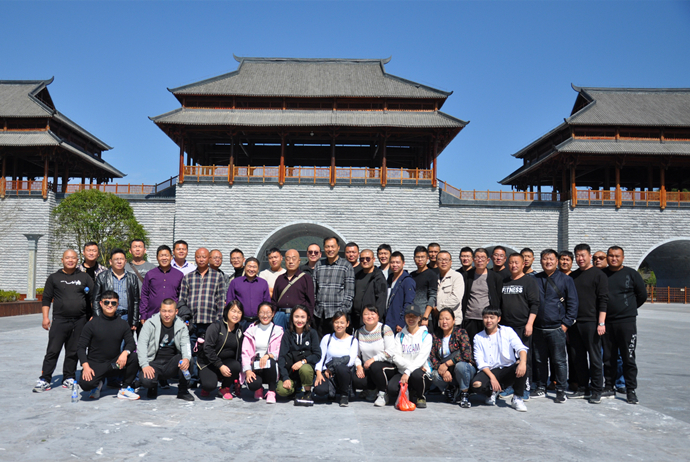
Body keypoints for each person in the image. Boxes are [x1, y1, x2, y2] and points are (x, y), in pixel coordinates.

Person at [34, 249, 94, 393]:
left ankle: (69, 377)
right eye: (67, 258)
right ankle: (45, 379)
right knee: (53, 350)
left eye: (73, 258)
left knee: (73, 351)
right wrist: (45, 317)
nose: (70, 260)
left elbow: (93, 298)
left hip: (79, 321)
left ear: (77, 260)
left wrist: (93, 315)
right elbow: (46, 299)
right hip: (60, 320)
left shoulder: (84, 277)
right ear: (62, 260)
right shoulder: (54, 277)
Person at [533, 249, 578, 403]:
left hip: (557, 328)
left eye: (551, 259)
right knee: (540, 360)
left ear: (557, 261)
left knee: (559, 361)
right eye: (545, 259)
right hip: (538, 328)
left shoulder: (566, 279)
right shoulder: (535, 279)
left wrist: (565, 324)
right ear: (541, 261)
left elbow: (573, 303)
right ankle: (541, 386)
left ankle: (560, 389)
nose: (548, 262)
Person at [602, 245, 646, 404]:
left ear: (623, 257)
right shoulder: (602, 274)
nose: (614, 258)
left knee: (628, 357)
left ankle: (630, 389)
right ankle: (609, 386)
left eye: (617, 256)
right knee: (608, 357)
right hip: (607, 322)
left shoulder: (631, 274)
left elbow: (642, 295)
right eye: (611, 256)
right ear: (607, 257)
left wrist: (628, 308)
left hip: (626, 322)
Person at [177, 248, 227, 386]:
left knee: (208, 351)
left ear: (209, 259)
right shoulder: (188, 277)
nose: (201, 259)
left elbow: (220, 300)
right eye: (198, 257)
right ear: (195, 258)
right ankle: (193, 379)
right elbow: (182, 301)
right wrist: (185, 319)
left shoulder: (218, 277)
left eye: (204, 257)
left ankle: (206, 376)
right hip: (192, 322)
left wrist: (218, 322)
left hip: (210, 321)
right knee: (191, 350)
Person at [77, 290, 139, 400]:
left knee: (133, 357)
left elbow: (131, 343)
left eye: (113, 303)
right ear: (101, 303)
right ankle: (97, 385)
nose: (110, 305)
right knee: (86, 384)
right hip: (96, 364)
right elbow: (81, 347)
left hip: (115, 364)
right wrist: (85, 366)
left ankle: (124, 389)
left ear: (117, 305)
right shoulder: (91, 324)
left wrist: (125, 353)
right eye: (106, 302)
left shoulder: (123, 324)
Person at [569, 243, 609, 404]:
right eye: (577, 256)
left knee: (595, 358)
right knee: (577, 357)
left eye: (583, 255)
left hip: (592, 323)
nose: (580, 258)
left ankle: (597, 389)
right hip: (574, 323)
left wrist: (601, 322)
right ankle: (583, 387)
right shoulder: (572, 276)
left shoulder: (599, 275)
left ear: (589, 256)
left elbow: (603, 300)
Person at [472, 307, 529, 412]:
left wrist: (523, 362)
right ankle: (491, 392)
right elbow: (479, 361)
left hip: (507, 369)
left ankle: (517, 398)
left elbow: (520, 348)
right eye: (486, 317)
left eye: (492, 317)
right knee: (476, 385)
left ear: (498, 319)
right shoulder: (478, 337)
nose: (489, 320)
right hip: (490, 370)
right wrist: (492, 377)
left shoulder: (508, 331)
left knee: (523, 365)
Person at [499, 252, 539, 401]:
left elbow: (535, 304)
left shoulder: (529, 281)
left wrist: (530, 324)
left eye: (517, 262)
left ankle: (525, 388)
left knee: (525, 358)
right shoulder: (504, 282)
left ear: (523, 264)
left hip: (523, 326)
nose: (514, 265)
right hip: (506, 327)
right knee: (509, 358)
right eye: (511, 262)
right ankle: (511, 385)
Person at [137, 298, 194, 401]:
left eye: (170, 311)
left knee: (188, 360)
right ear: (160, 310)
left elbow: (186, 345)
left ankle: (183, 390)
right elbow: (141, 345)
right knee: (146, 381)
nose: (167, 314)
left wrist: (186, 358)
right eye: (164, 311)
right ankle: (152, 387)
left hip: (171, 364)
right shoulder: (149, 324)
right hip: (153, 363)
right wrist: (145, 365)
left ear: (176, 311)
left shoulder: (182, 326)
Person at [388, 304, 433, 408]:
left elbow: (422, 358)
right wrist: (408, 370)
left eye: (414, 316)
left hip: (420, 372)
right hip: (404, 371)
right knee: (392, 389)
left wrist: (409, 371)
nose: (411, 319)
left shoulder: (426, 336)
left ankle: (420, 396)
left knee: (417, 375)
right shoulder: (399, 336)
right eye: (408, 316)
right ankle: (410, 391)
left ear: (420, 318)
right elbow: (395, 357)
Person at [429, 308, 476, 408]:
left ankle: (464, 394)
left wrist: (447, 364)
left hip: (464, 370)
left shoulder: (461, 332)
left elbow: (466, 354)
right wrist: (442, 369)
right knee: (434, 375)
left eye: (447, 319)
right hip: (446, 371)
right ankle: (450, 388)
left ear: (454, 320)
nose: (444, 322)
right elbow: (432, 356)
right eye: (441, 319)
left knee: (461, 366)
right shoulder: (435, 335)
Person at [198, 299, 244, 400]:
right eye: (233, 311)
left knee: (236, 365)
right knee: (209, 386)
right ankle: (207, 383)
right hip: (209, 362)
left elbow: (240, 352)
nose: (236, 315)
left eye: (239, 312)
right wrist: (220, 365)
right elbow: (207, 348)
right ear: (226, 311)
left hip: (227, 362)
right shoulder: (215, 326)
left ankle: (224, 388)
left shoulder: (240, 329)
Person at [352, 304, 397, 406]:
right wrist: (358, 366)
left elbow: (390, 351)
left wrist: (373, 359)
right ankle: (371, 389)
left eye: (373, 313)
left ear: (378, 316)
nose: (369, 316)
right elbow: (355, 354)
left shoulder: (385, 329)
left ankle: (383, 393)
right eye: (366, 314)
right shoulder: (358, 332)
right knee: (356, 379)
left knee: (375, 366)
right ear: (362, 317)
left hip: (386, 366)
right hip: (368, 368)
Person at [241, 302, 284, 404]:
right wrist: (248, 370)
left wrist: (268, 356)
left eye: (268, 312)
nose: (265, 316)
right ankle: (258, 388)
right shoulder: (251, 330)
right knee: (253, 384)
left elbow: (280, 350)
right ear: (258, 314)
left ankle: (271, 391)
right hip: (255, 366)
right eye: (262, 313)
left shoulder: (278, 331)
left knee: (271, 362)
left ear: (273, 314)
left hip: (271, 366)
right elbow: (245, 353)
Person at [276, 305, 321, 403]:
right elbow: (282, 357)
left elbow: (317, 355)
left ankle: (307, 392)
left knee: (305, 369)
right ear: (292, 317)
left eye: (302, 317)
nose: (299, 320)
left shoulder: (312, 333)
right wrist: (285, 378)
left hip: (305, 368)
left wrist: (303, 362)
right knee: (281, 390)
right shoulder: (287, 333)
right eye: (296, 317)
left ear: (307, 318)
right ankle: (294, 388)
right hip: (291, 371)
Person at [314, 311, 359, 407]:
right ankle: (333, 390)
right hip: (328, 373)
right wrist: (318, 373)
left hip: (344, 373)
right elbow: (320, 357)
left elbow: (350, 361)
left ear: (347, 323)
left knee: (341, 368)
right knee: (319, 390)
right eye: (336, 322)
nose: (339, 325)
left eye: (342, 322)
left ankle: (344, 395)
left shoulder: (353, 340)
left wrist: (332, 368)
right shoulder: (327, 338)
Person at [313, 236, 355, 337]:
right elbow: (314, 289)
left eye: (332, 246)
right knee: (321, 343)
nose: (330, 249)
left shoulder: (346, 266)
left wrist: (342, 312)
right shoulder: (319, 265)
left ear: (338, 247)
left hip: (337, 315)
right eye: (327, 246)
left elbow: (349, 293)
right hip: (319, 314)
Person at [93, 248, 140, 330]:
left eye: (121, 259)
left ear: (125, 261)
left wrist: (134, 320)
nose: (119, 262)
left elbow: (136, 300)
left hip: (126, 316)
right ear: (110, 261)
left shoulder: (132, 278)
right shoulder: (102, 277)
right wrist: (99, 318)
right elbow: (96, 300)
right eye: (116, 259)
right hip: (108, 316)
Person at [462, 248, 502, 342]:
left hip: (488, 319)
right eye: (477, 257)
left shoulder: (495, 277)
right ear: (473, 260)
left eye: (483, 258)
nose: (480, 260)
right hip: (470, 317)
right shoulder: (466, 276)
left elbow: (498, 298)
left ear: (488, 260)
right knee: (470, 344)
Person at [140, 245, 184, 323]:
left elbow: (181, 297)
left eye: (166, 255)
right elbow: (144, 295)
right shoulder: (150, 274)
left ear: (171, 257)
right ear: (157, 258)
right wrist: (143, 315)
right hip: (152, 315)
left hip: (172, 317)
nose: (164, 258)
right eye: (161, 256)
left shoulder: (179, 275)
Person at [272, 249, 315, 328]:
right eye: (288, 259)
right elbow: (274, 300)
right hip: (280, 315)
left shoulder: (306, 278)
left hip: (298, 316)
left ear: (299, 261)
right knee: (278, 336)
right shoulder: (280, 279)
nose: (291, 261)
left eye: (294, 259)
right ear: (285, 261)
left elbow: (310, 302)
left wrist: (309, 319)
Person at [227, 257, 271, 328]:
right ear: (245, 267)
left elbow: (267, 302)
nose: (251, 269)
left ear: (258, 269)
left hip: (258, 321)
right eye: (249, 266)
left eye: (254, 267)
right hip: (240, 321)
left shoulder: (263, 283)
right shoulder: (235, 282)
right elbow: (230, 301)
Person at [352, 249, 388, 331]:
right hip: (357, 319)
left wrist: (376, 318)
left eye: (368, 259)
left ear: (373, 259)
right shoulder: (357, 275)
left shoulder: (378, 277)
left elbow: (381, 301)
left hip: (371, 320)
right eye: (362, 259)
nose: (365, 261)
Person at [385, 251, 416, 333]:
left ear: (403, 263)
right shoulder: (390, 278)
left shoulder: (407, 281)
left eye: (397, 262)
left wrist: (402, 322)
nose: (395, 265)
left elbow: (409, 303)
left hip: (398, 323)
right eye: (392, 262)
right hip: (388, 320)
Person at [410, 246, 438, 329]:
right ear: (414, 258)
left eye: (422, 257)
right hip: (412, 316)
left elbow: (432, 297)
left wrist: (426, 317)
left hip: (425, 318)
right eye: (417, 257)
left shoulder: (431, 275)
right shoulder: (411, 275)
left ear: (427, 258)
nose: (420, 259)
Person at [437, 250, 465, 329]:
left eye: (446, 260)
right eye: (440, 259)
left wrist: (439, 308)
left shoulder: (457, 276)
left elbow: (456, 298)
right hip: (439, 320)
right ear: (436, 262)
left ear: (451, 262)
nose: (443, 262)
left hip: (453, 321)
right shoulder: (435, 277)